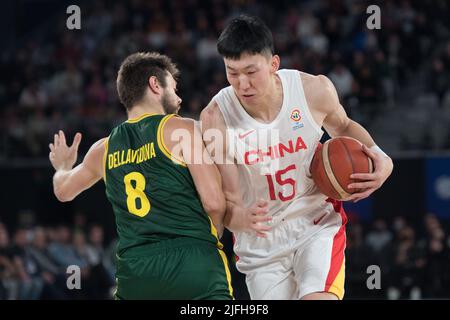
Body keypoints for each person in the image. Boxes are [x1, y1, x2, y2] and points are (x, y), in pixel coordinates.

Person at [200, 15, 393, 300]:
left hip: (314, 224)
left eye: (251, 72)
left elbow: (342, 126)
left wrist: (381, 157)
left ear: (273, 64)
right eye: (233, 73)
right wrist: (238, 218)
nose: (242, 84)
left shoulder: (312, 90)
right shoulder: (215, 117)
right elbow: (227, 198)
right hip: (261, 242)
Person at [49, 52, 233, 300]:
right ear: (155, 85)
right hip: (191, 258)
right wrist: (212, 236)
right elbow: (214, 202)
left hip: (135, 271)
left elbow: (62, 191)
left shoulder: (102, 150)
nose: (179, 98)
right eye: (174, 88)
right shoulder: (183, 129)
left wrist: (62, 166)